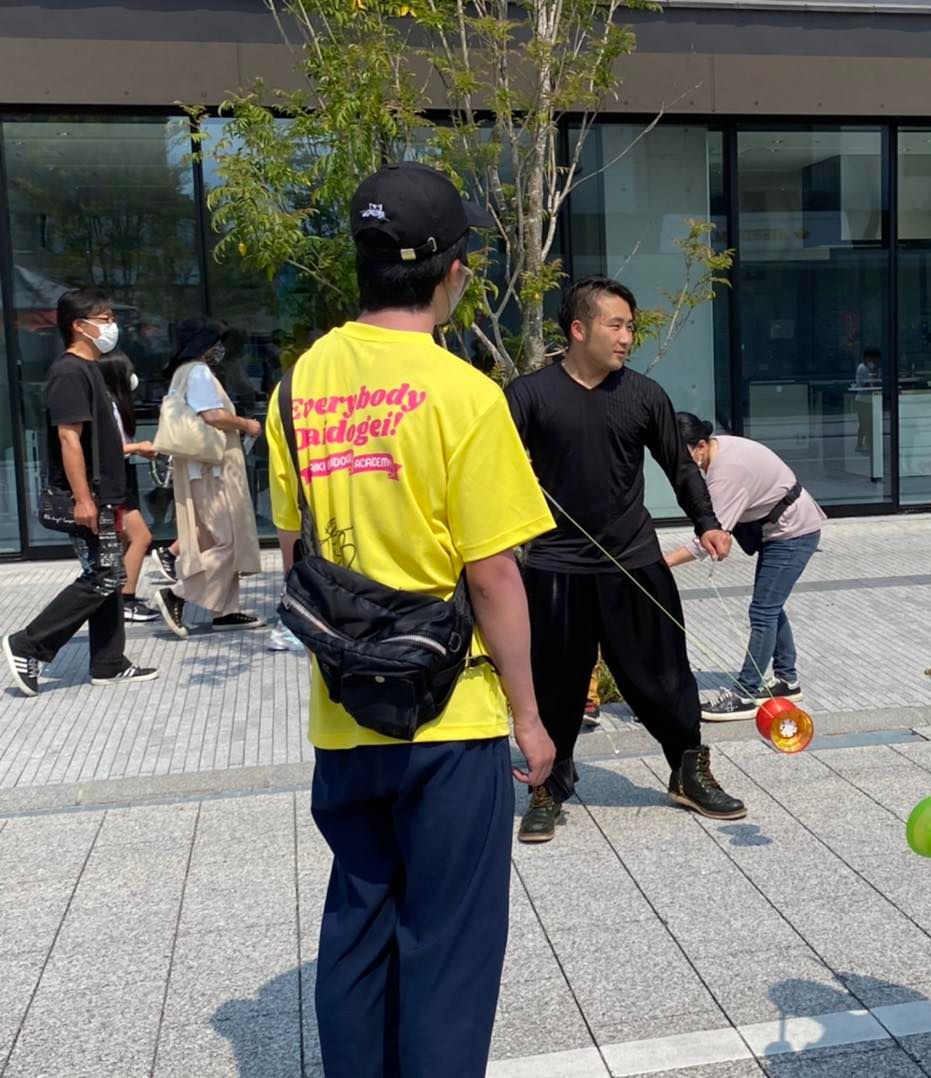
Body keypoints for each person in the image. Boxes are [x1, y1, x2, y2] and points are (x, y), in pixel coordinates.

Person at [266, 161, 556, 1075]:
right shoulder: (464, 394)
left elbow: (293, 554)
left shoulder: (297, 384)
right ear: (453, 270)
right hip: (451, 712)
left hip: (345, 709)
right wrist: (531, 714)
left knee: (358, 919)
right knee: (449, 946)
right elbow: (497, 577)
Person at [505, 275, 747, 844]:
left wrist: (707, 522)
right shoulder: (529, 395)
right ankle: (548, 784)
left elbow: (680, 466)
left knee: (663, 677)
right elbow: (492, 468)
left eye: (631, 327)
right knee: (555, 686)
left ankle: (687, 772)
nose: (626, 337)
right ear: (578, 328)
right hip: (555, 568)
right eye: (616, 325)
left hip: (634, 562)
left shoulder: (643, 395)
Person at [3, 289, 159, 695]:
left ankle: (108, 662)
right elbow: (69, 440)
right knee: (104, 574)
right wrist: (84, 499)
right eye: (104, 318)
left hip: (105, 493)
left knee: (109, 574)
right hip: (86, 497)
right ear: (79, 325)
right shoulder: (69, 371)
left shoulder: (90, 370)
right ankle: (29, 644)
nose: (111, 327)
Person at [664, 414, 825, 719]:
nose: (678, 464)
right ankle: (787, 680)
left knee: (763, 610)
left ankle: (746, 693)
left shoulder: (726, 472)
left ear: (700, 446)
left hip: (793, 532)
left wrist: (664, 563)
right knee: (770, 605)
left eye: (680, 455)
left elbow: (710, 538)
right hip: (783, 528)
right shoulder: (720, 448)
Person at [153, 319, 265, 638]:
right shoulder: (198, 372)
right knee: (228, 540)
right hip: (212, 468)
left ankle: (225, 611)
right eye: (216, 342)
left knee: (217, 537)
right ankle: (178, 593)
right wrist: (246, 424)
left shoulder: (181, 373)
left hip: (200, 467)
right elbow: (213, 416)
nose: (221, 349)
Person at [97, 351, 161, 622]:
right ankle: (127, 599)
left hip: (121, 476)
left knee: (126, 538)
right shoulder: (108, 407)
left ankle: (121, 595)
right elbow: (107, 449)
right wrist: (138, 448)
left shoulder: (114, 404)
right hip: (114, 478)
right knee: (141, 537)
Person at [853, 346, 881, 451]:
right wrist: (875, 385)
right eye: (874, 358)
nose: (875, 361)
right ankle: (864, 444)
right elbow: (866, 384)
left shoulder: (867, 367)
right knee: (866, 424)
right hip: (864, 400)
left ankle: (861, 444)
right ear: (869, 357)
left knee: (864, 424)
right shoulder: (863, 368)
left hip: (865, 399)